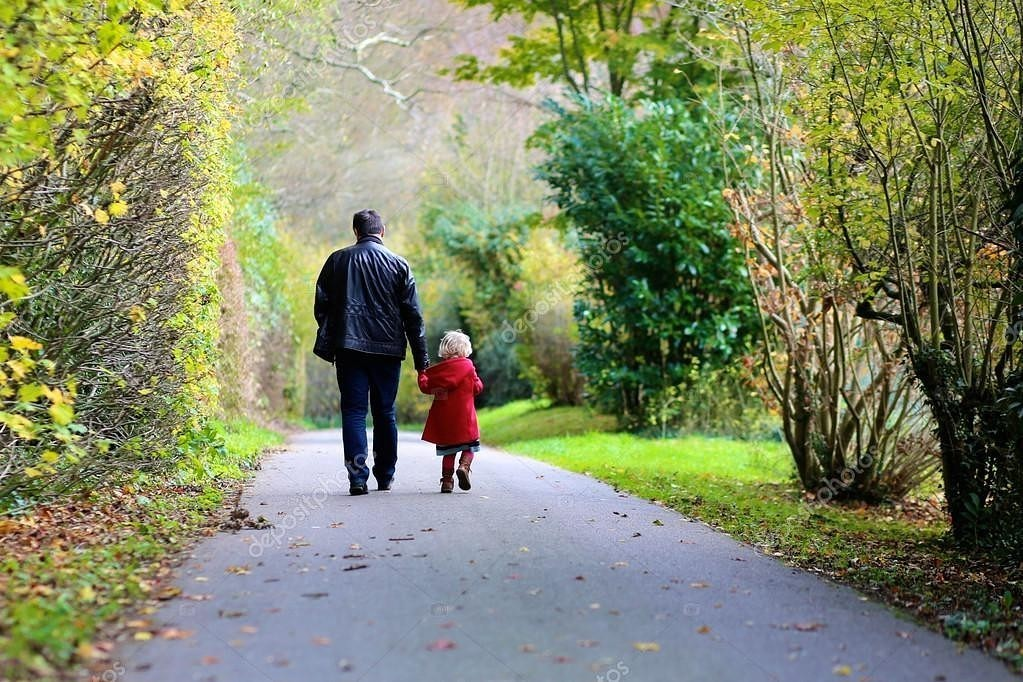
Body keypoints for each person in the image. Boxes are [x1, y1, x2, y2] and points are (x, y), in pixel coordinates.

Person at [314, 209, 429, 495]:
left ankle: (357, 478)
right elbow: (413, 316)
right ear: (383, 231)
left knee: (354, 412)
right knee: (385, 412)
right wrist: (422, 361)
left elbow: (321, 305)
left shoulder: (337, 261)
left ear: (355, 231)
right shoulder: (399, 264)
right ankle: (385, 475)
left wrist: (336, 331)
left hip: (349, 347)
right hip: (388, 350)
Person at [418, 330, 483, 493]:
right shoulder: (468, 366)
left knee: (449, 452)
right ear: (464, 350)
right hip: (465, 419)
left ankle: (447, 482)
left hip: (445, 421)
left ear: (445, 350)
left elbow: (426, 387)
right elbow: (477, 387)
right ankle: (464, 466)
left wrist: (421, 374)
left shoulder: (439, 372)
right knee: (469, 446)